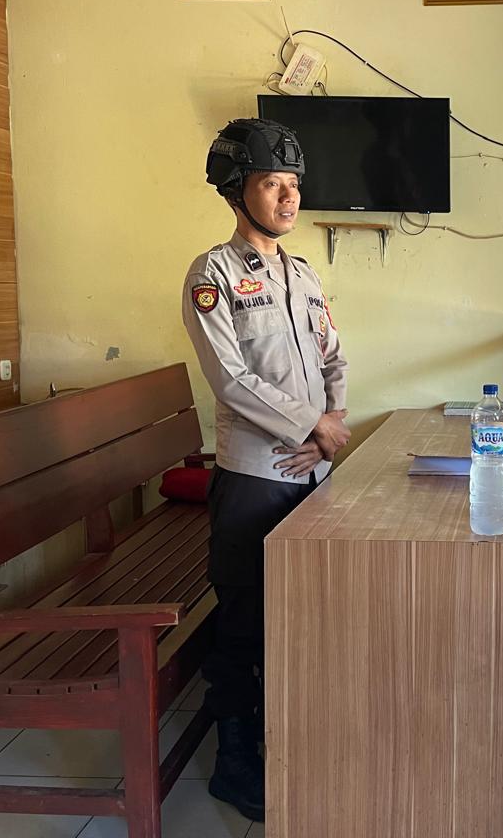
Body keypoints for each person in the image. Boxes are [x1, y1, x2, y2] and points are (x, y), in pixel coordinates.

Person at [182, 118, 350, 822]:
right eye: (272, 184)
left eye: (294, 185)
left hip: (311, 475)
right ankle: (234, 761)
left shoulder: (303, 274)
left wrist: (331, 427)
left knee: (305, 619)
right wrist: (312, 425)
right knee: (244, 625)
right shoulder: (212, 275)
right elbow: (231, 379)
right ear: (236, 190)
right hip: (253, 480)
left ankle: (292, 740)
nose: (289, 199)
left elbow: (333, 355)